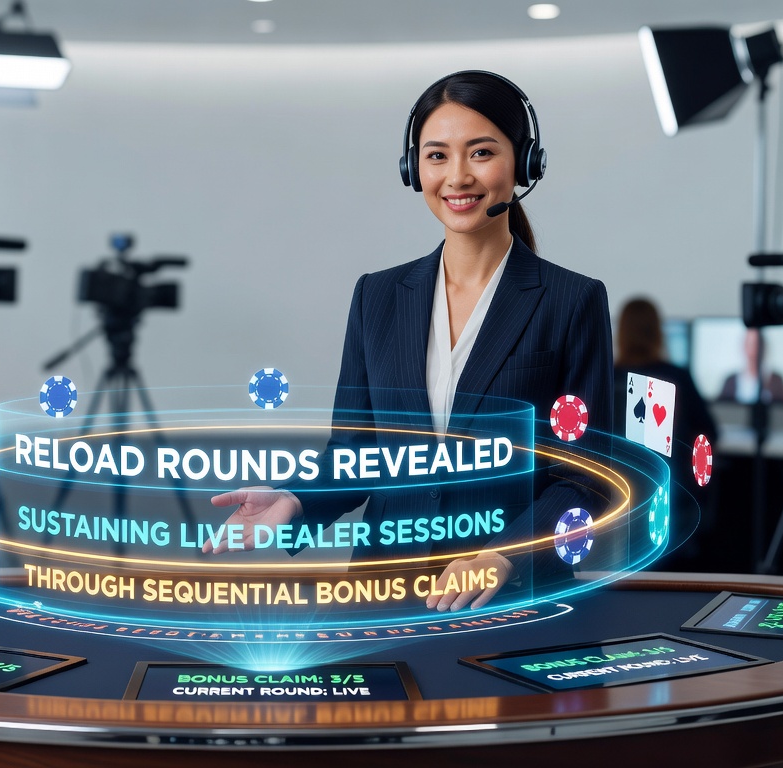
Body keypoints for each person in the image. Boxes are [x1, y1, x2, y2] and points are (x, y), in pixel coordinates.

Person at [207, 70, 613, 612]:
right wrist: (295, 502)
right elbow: (356, 454)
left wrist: (506, 555)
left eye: (482, 153)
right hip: (381, 598)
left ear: (524, 163)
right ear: (412, 168)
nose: (458, 177)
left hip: (510, 600)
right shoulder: (377, 297)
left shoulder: (572, 301)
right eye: (437, 156)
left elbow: (585, 480)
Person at [613, 298, 717, 568]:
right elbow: (710, 434)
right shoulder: (677, 376)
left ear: (620, 333)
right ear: (658, 332)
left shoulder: (609, 377)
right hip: (676, 505)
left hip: (620, 510)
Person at [718, 328, 783, 404]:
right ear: (744, 347)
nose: (754, 351)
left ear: (763, 348)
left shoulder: (776, 380)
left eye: (757, 345)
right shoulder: (730, 381)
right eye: (750, 345)